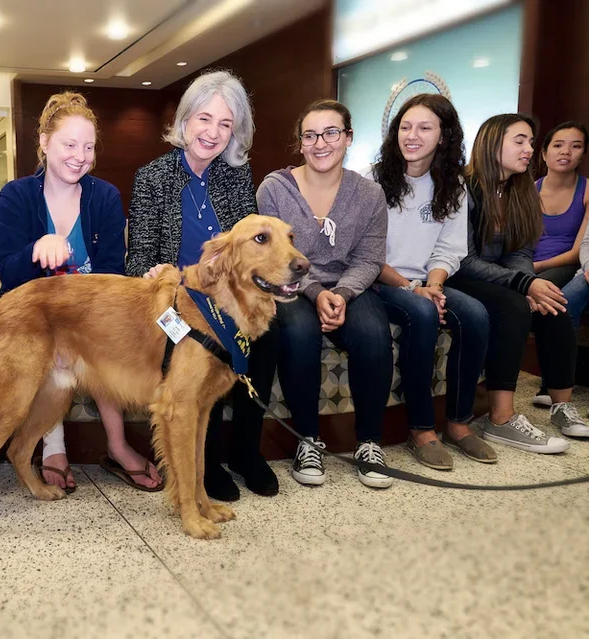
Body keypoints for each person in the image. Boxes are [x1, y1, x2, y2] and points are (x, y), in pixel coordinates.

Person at [0, 91, 161, 492]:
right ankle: (54, 446)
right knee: (50, 346)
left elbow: (111, 273)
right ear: (44, 142)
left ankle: (117, 446)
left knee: (103, 335)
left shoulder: (104, 196)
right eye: (69, 145)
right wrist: (37, 250)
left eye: (88, 147)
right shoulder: (17, 195)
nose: (80, 156)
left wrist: (86, 319)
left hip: (90, 310)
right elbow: (8, 272)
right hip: (33, 314)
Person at [125, 69, 278, 502]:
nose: (212, 133)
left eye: (225, 124)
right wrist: (155, 271)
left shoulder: (237, 175)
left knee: (270, 334)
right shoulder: (152, 177)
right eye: (205, 119)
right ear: (186, 120)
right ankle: (203, 463)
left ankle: (246, 451)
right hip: (179, 299)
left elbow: (250, 250)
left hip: (227, 295)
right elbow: (139, 256)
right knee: (196, 353)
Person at [257, 99, 394, 489]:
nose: (320, 143)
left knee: (373, 333)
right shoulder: (275, 188)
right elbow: (275, 256)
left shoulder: (369, 194)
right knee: (299, 332)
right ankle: (307, 440)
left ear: (348, 137)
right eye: (310, 135)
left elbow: (370, 258)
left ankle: (369, 442)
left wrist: (344, 294)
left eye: (331, 133)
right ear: (300, 143)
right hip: (291, 284)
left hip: (351, 284)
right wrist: (316, 292)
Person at [368, 94, 496, 469]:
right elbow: (366, 252)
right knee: (422, 313)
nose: (412, 135)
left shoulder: (452, 184)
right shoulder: (372, 180)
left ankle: (458, 423)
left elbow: (449, 249)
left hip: (426, 280)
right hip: (380, 280)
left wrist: (435, 286)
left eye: (424, 128)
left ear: (444, 136)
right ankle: (421, 429)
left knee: (475, 314)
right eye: (405, 127)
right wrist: (413, 289)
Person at [445, 113, 586, 447]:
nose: (529, 150)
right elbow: (463, 259)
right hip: (457, 274)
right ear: (493, 143)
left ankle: (561, 406)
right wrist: (521, 286)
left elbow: (520, 250)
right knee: (513, 305)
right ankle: (501, 418)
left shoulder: (520, 190)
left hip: (494, 275)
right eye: (519, 141)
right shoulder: (463, 187)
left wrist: (528, 282)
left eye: (531, 142)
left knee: (555, 303)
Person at [530, 121, 589, 406]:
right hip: (530, 265)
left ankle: (553, 384)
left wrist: (535, 270)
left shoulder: (587, 190)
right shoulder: (530, 191)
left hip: (566, 265)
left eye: (576, 146)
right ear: (544, 153)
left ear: (583, 155)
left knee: (549, 298)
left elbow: (578, 251)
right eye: (558, 145)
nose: (566, 152)